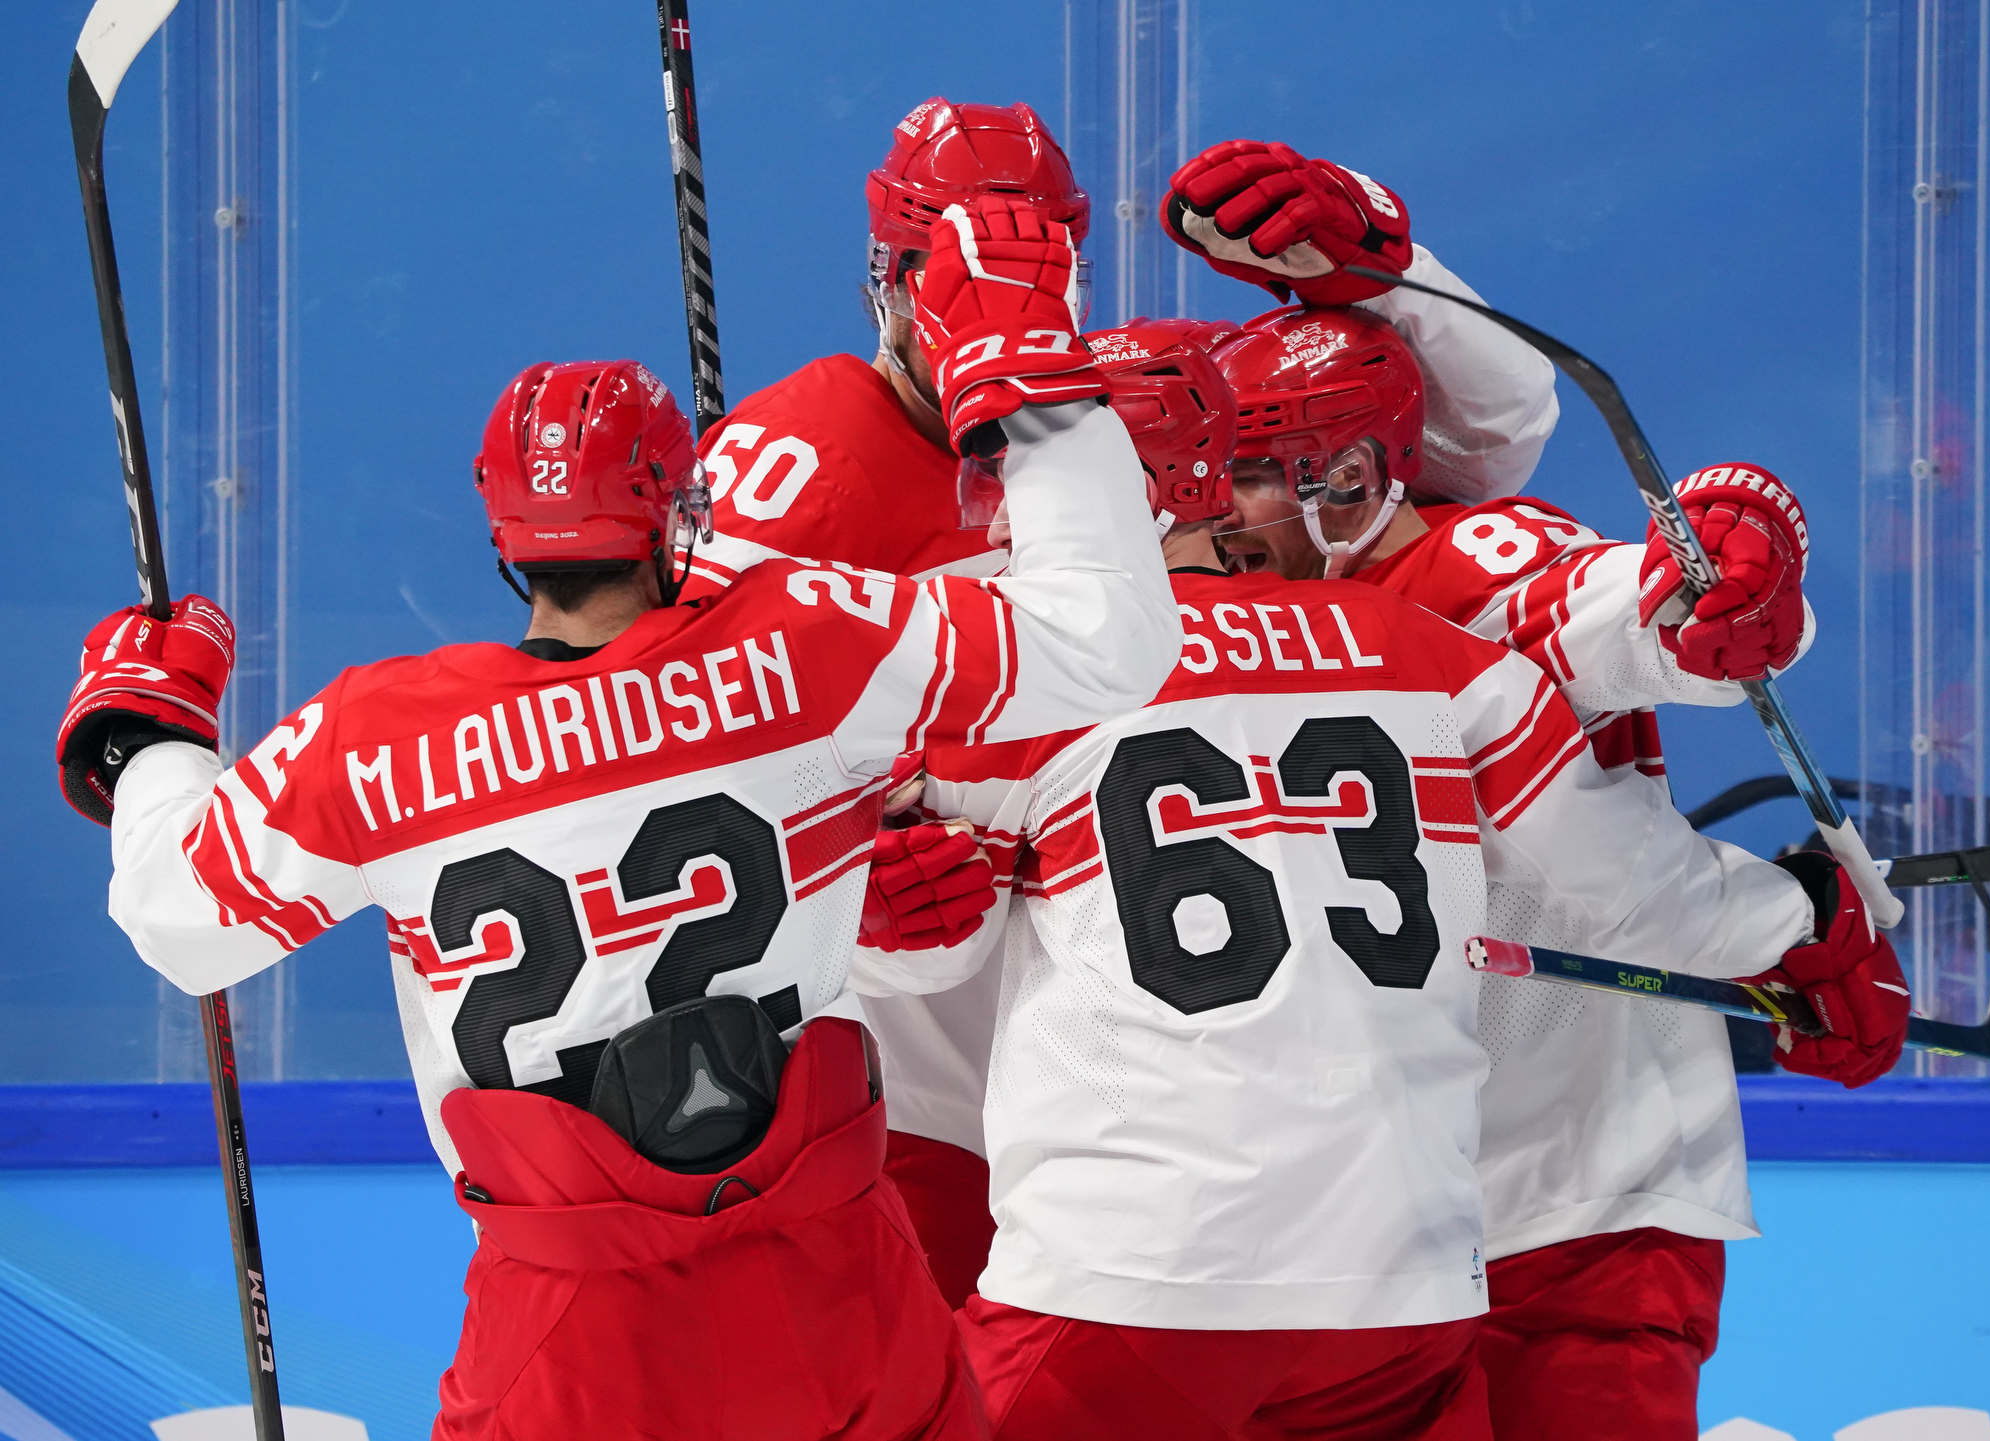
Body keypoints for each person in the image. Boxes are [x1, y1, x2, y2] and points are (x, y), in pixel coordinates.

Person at [56, 199, 1180, 1441]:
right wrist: (1033, 385)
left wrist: (151, 733)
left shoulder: (373, 736)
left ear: (500, 530)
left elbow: (179, 924)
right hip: (834, 1292)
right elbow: (1106, 642)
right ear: (676, 510)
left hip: (573, 1331)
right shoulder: (806, 642)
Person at [848, 320, 1902, 1441]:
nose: (998, 519)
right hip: (1405, 1279)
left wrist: (877, 905)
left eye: (1025, 479)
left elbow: (1606, 603)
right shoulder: (1422, 651)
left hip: (1167, 1266)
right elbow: (1642, 889)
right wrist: (1806, 915)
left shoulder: (1006, 676)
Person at [705, 101, 1567, 1308]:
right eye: (957, 273)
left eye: (1035, 271)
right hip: (921, 1092)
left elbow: (1488, 441)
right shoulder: (789, 478)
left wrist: (1382, 267)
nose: (997, 306)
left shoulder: (1114, 398)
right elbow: (683, 779)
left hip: (1143, 1095)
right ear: (887, 276)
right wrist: (837, 880)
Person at [1176, 143, 1909, 1439]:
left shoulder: (1475, 566)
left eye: (1246, 473)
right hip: (1379, 1211)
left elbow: (1616, 607)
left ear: (1352, 474)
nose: (1212, 512)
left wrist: (1721, 585)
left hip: (1582, 1192)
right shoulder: (1259, 621)